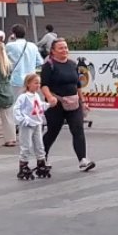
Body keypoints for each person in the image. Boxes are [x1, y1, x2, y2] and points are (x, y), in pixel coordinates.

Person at [41, 38, 96, 172]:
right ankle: (42, 157)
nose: (64, 50)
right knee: (53, 131)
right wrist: (49, 98)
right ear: (53, 51)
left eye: (65, 47)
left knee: (78, 130)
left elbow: (77, 85)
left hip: (74, 103)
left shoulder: (72, 64)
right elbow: (44, 85)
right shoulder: (49, 65)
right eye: (60, 48)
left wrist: (83, 102)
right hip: (57, 103)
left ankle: (83, 160)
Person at [13, 73, 53, 179]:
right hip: (27, 125)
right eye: (35, 83)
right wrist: (23, 120)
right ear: (28, 84)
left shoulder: (36, 96)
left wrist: (49, 104)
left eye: (39, 83)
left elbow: (38, 107)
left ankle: (41, 163)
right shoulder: (23, 97)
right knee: (26, 145)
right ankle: (23, 165)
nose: (38, 85)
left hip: (37, 124)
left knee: (39, 145)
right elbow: (16, 109)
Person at [6, 24, 43, 95]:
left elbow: (4, 61)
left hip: (16, 81)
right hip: (31, 80)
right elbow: (40, 62)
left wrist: (9, 41)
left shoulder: (9, 46)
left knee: (16, 103)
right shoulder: (33, 46)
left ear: (13, 34)